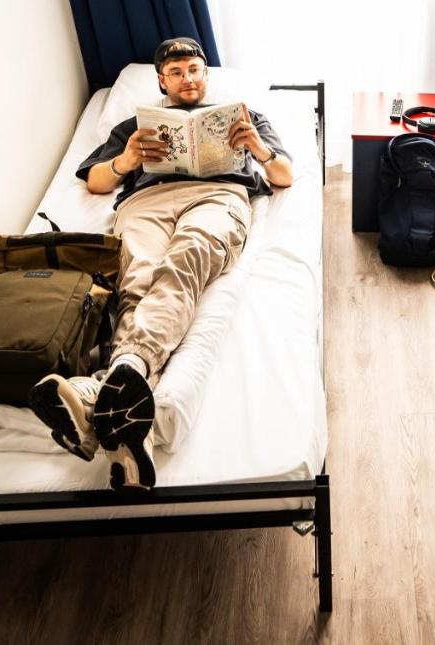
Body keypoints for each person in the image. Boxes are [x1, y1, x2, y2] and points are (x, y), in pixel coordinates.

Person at [28, 37, 293, 490]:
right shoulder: (135, 125)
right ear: (161, 81)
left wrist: (259, 150)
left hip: (217, 196)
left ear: (205, 74)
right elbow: (96, 182)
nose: (187, 79)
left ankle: (109, 381)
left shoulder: (243, 117)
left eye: (194, 70)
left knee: (183, 263)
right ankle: (124, 419)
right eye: (176, 72)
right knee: (137, 280)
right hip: (146, 202)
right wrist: (127, 160)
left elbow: (284, 176)